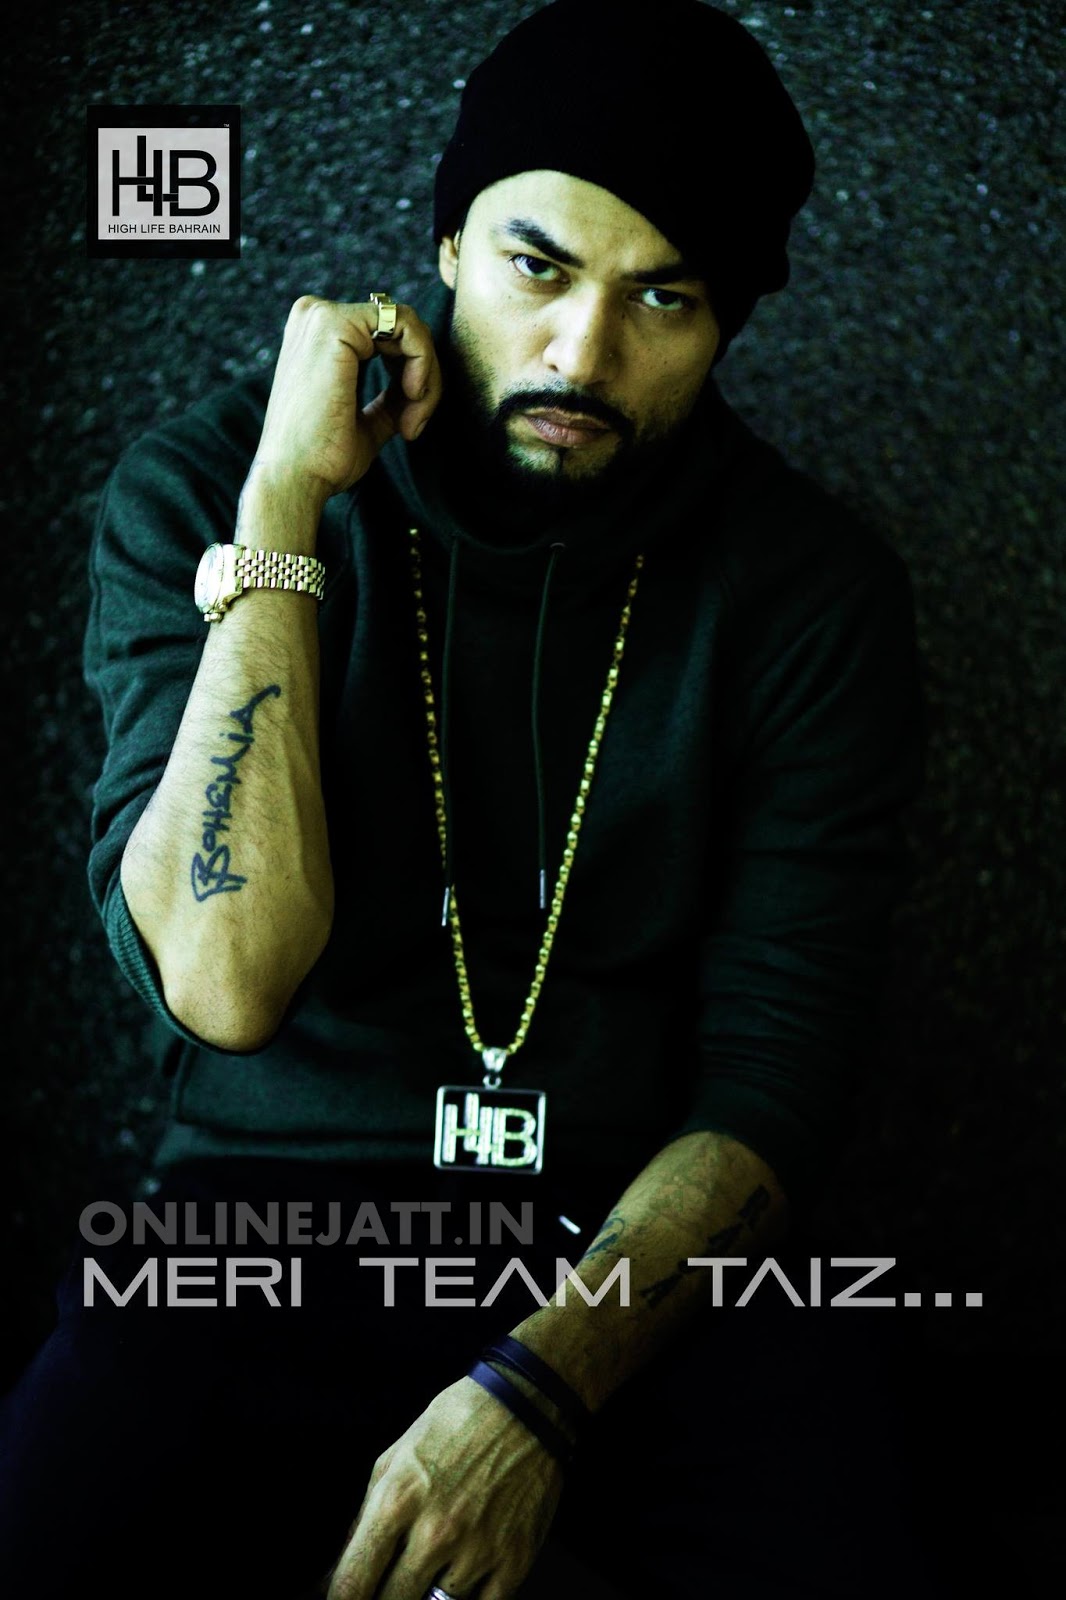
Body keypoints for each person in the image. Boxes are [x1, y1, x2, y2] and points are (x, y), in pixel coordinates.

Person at [1, 3, 936, 1596]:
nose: (581, 352)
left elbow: (771, 1087)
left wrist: (533, 1396)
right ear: (443, 245)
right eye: (535, 266)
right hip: (260, 1229)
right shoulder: (209, 486)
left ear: (728, 318)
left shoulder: (807, 589)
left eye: (662, 296)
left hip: (632, 1254)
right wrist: (287, 510)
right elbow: (223, 982)